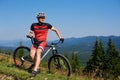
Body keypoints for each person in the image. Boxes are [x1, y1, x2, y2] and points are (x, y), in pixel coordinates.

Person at [28, 12, 64, 78]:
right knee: (31, 55)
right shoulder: (33, 25)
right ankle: (37, 67)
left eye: (43, 17)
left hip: (42, 42)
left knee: (38, 52)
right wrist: (30, 35)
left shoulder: (47, 25)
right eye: (41, 17)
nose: (42, 19)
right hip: (35, 42)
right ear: (38, 18)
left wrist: (60, 37)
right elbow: (30, 32)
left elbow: (55, 30)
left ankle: (35, 70)